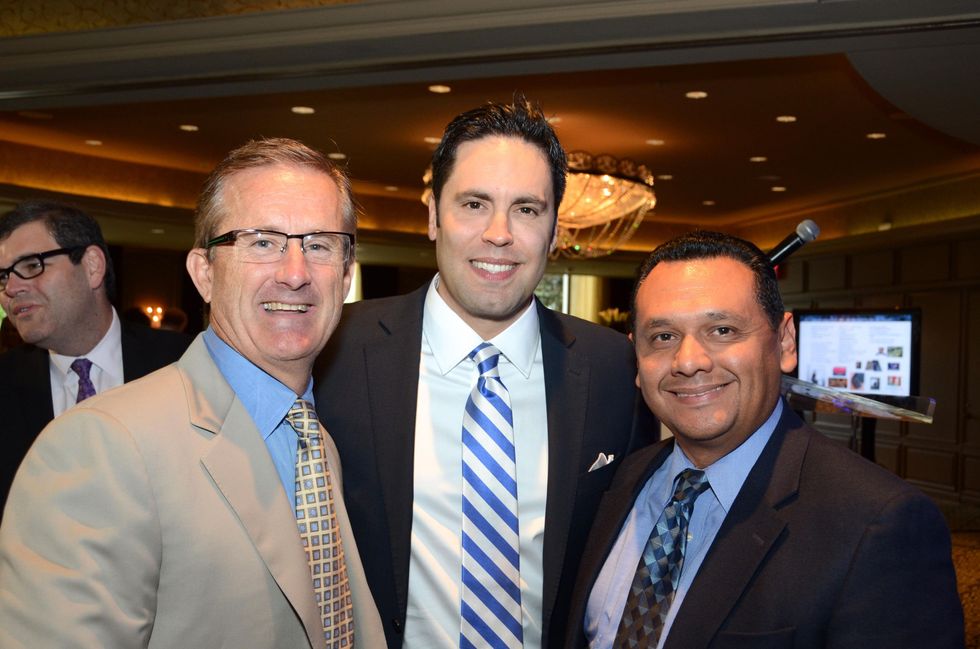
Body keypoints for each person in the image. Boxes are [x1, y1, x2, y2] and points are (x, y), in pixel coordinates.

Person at [0, 138, 385, 648]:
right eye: (262, 242)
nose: (295, 274)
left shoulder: (317, 439)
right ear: (203, 273)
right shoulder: (100, 446)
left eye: (318, 245)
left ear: (345, 274)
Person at [315, 96, 655, 649]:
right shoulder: (335, 351)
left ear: (552, 229)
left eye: (526, 209)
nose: (499, 233)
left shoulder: (615, 368)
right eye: (474, 204)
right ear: (432, 215)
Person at [565, 231, 964, 648]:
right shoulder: (624, 478)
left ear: (785, 341)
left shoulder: (876, 524)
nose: (688, 362)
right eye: (663, 337)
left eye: (722, 330)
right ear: (637, 357)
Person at [0, 200, 191, 518]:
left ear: (92, 266)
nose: (11, 289)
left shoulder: (186, 366)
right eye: (3, 277)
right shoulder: (5, 383)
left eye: (32, 266)